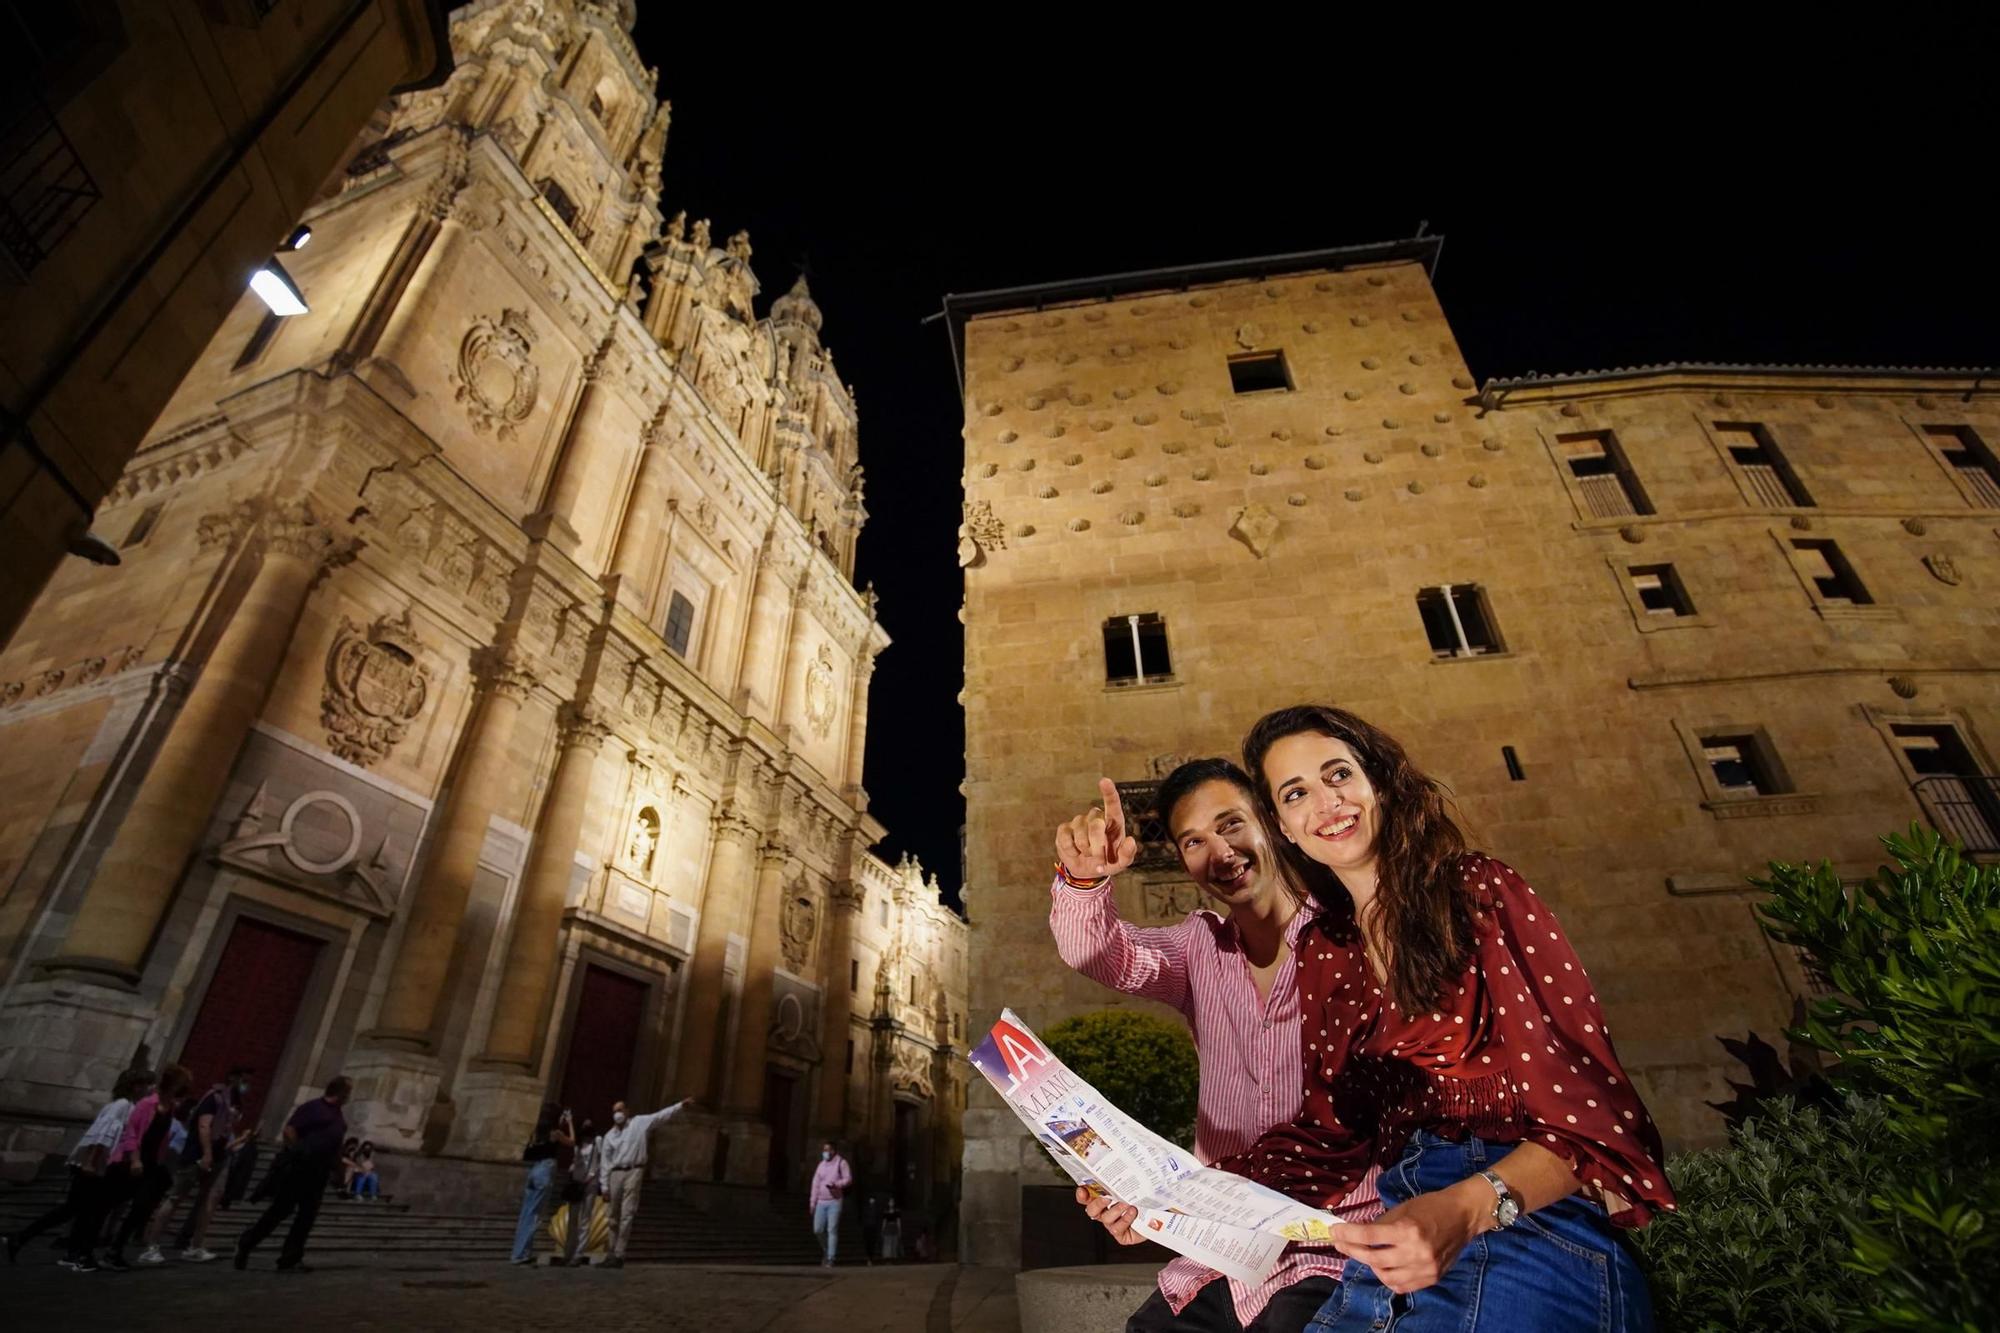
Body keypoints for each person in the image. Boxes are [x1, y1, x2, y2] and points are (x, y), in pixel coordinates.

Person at [1084, 706, 1675, 1331]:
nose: (1327, 803)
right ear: (1284, 826)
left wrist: (1467, 1209)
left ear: (1377, 781)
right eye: (1296, 793)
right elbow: (1324, 1141)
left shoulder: (1475, 892)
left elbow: (1597, 1118)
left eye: (1338, 774)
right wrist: (1162, 1199)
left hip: (1527, 1224)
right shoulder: (1325, 953)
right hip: (1397, 1231)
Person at [1053, 764, 1382, 1333]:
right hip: (1221, 1254)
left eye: (1232, 825)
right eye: (1194, 841)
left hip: (1340, 1246)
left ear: (1273, 825)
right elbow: (1094, 951)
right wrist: (1084, 881)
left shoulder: (1352, 939)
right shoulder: (1195, 949)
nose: (1221, 852)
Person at [4, 1068, 153, 1271]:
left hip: (97, 1165)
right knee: (75, 1210)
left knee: (78, 1211)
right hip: (92, 1166)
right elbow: (101, 1135)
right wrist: (90, 1162)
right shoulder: (121, 1105)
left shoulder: (128, 1106)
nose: (148, 1089)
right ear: (134, 1085)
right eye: (145, 1084)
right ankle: (26, 1238)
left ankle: (65, 1251)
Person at [234, 1075, 352, 1273]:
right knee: (280, 1211)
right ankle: (247, 1243)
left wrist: (338, 1172)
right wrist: (298, 1151)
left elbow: (335, 1147)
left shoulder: (339, 1115)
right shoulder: (313, 1107)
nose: (349, 1096)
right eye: (348, 1092)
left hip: (319, 1173)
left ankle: (290, 1258)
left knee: (306, 1217)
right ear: (340, 1092)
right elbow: (289, 1130)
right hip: (299, 1169)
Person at [104, 1063, 191, 1270]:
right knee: (110, 1203)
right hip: (133, 1162)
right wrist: (135, 1159)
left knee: (141, 1207)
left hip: (152, 1164)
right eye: (182, 1084)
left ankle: (116, 1248)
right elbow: (131, 1132)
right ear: (173, 1083)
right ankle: (91, 1246)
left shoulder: (169, 1107)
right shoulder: (147, 1103)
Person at [594, 1096, 694, 1268]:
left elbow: (660, 1116)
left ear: (627, 1111)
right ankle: (609, 1252)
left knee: (627, 1214)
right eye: (615, 1111)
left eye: (620, 1110)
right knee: (612, 1216)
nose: (618, 1114)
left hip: (634, 1170)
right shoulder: (609, 1136)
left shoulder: (639, 1123)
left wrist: (680, 1106)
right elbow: (605, 1162)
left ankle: (619, 1254)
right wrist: (604, 1186)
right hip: (615, 1174)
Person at [170, 1064, 253, 1261]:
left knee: (210, 1198)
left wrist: (240, 1140)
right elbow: (204, 1125)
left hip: (220, 1154)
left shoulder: (236, 1101)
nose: (247, 1085)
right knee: (176, 1197)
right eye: (244, 1080)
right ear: (233, 1078)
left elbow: (225, 1132)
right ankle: (153, 1244)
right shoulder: (216, 1096)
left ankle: (194, 1244)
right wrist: (207, 1153)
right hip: (201, 1153)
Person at [512, 1104, 572, 1265]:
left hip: (533, 1170)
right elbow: (572, 1142)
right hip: (545, 1169)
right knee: (534, 1215)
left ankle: (520, 1252)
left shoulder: (537, 1133)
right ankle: (521, 1255)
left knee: (526, 1213)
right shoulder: (556, 1133)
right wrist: (569, 1123)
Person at [552, 1115, 599, 1267]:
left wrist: (592, 1178)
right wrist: (569, 1122)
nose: (587, 1127)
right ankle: (568, 1253)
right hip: (576, 1183)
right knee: (572, 1219)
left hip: (590, 1184)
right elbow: (571, 1148)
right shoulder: (578, 1146)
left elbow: (601, 1162)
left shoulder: (598, 1143)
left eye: (589, 1124)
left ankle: (578, 1255)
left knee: (585, 1219)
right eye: (584, 1124)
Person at [808, 1140, 851, 1268]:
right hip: (821, 1201)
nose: (824, 1152)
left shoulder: (841, 1163)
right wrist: (812, 1202)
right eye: (824, 1150)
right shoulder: (821, 1165)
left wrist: (837, 1184)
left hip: (835, 1201)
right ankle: (826, 1249)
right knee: (818, 1229)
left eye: (827, 1150)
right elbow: (815, 1184)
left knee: (832, 1229)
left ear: (833, 1151)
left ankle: (831, 1257)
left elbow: (848, 1179)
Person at [878, 1198, 902, 1262]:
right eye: (890, 1202)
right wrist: (882, 1229)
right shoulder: (886, 1211)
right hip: (888, 1228)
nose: (891, 1203)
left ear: (894, 1203)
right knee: (887, 1242)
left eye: (892, 1202)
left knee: (894, 1242)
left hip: (894, 1227)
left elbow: (898, 1221)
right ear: (888, 1203)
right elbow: (884, 1221)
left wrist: (899, 1229)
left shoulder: (897, 1211)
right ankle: (887, 1257)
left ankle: (893, 1257)